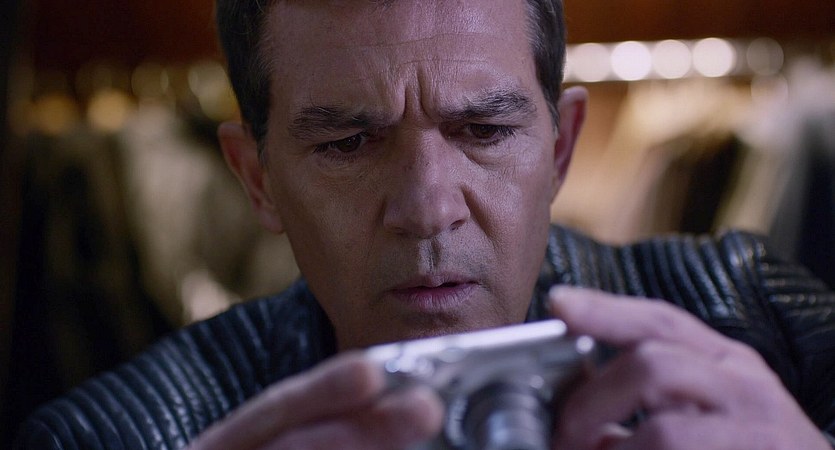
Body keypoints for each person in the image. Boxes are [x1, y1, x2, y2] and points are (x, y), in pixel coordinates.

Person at [15, 0, 835, 449]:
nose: (427, 208)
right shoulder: (111, 437)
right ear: (257, 179)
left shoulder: (759, 319)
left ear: (560, 149)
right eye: (347, 144)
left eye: (484, 131)